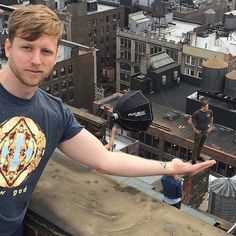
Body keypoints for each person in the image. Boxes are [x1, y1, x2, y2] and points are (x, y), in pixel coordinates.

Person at [0, 5, 216, 236]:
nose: (36, 60)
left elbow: (104, 159)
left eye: (46, 51)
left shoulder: (54, 113)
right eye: (26, 47)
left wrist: (170, 167)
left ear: (55, 56)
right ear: (8, 47)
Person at [188, 99, 213, 164]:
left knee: (201, 145)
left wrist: (210, 127)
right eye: (205, 107)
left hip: (205, 131)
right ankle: (193, 159)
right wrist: (194, 129)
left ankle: (198, 156)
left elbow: (211, 119)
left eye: (207, 106)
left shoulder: (210, 112)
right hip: (198, 132)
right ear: (201, 107)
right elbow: (189, 121)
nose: (207, 108)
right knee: (196, 146)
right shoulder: (197, 113)